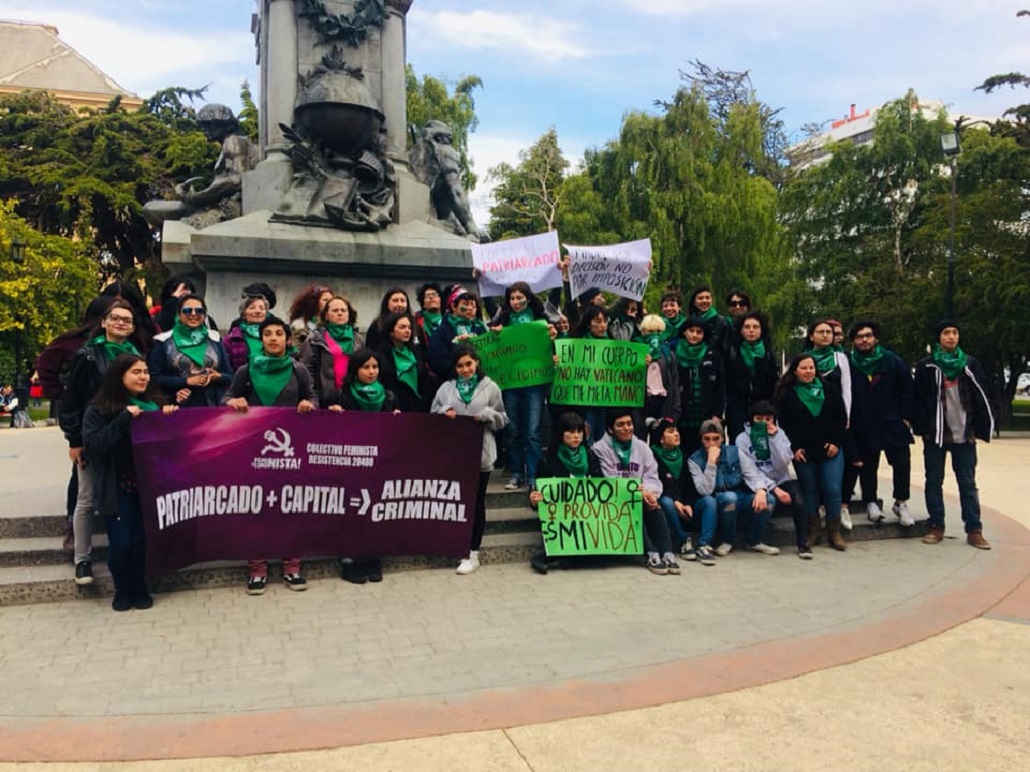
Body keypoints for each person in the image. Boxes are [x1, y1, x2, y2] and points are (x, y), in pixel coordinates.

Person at [224, 317, 317, 594]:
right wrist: (233, 401)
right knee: (256, 508)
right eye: (268, 334)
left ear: (288, 340)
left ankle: (292, 565)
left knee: (290, 506)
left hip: (290, 452)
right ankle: (257, 568)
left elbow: (313, 397)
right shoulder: (245, 370)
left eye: (279, 333)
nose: (274, 338)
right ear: (261, 339)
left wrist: (307, 404)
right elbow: (226, 396)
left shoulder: (298, 369)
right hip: (253, 451)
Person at [82, 354, 178, 611]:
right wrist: (122, 420)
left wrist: (169, 417)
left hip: (150, 487)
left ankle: (140, 587)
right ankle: (122, 589)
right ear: (119, 375)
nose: (143, 377)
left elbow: (174, 445)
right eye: (136, 372)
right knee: (122, 543)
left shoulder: (155, 404)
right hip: (118, 488)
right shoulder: (99, 409)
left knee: (143, 541)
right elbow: (93, 446)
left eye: (146, 371)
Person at [59, 300, 142, 586]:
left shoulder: (135, 354)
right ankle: (82, 559)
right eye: (115, 318)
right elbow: (70, 399)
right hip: (93, 432)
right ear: (104, 322)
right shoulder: (89, 355)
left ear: (132, 327)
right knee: (86, 496)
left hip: (125, 436)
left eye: (127, 320)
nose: (121, 323)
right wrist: (75, 439)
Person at [912, 320, 996, 549]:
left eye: (954, 333)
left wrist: (982, 426)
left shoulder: (969, 364)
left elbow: (983, 394)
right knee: (933, 481)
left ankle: (974, 530)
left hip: (964, 434)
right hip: (936, 434)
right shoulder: (927, 366)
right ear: (938, 338)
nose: (951, 337)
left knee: (967, 483)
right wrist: (922, 427)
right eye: (946, 333)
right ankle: (936, 526)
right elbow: (917, 399)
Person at [431, 345, 508, 574]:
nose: (465, 369)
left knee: (476, 503)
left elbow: (503, 419)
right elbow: (432, 414)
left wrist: (489, 415)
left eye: (469, 364)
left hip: (481, 454)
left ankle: (473, 551)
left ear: (476, 363)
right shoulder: (446, 388)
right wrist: (444, 411)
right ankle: (455, 544)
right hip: (453, 456)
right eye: (460, 366)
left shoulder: (490, 387)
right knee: (455, 502)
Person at [330, 348, 399, 584]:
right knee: (352, 509)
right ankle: (350, 559)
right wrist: (333, 414)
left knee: (375, 509)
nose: (371, 372)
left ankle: (373, 556)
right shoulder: (341, 395)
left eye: (375, 367)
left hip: (379, 462)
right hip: (351, 463)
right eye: (366, 367)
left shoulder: (388, 396)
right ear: (355, 370)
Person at [775, 353, 849, 551]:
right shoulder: (787, 394)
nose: (808, 372)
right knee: (810, 490)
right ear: (795, 371)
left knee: (832, 488)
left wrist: (835, 442)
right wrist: (794, 448)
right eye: (803, 368)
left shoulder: (830, 389)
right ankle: (813, 529)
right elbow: (784, 424)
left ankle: (834, 531)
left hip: (830, 450)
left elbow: (841, 417)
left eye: (811, 368)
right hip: (803, 452)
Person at [592, 408, 680, 575]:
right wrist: (634, 491)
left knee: (655, 505)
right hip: (615, 500)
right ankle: (651, 553)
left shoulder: (642, 447)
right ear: (611, 429)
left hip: (642, 494)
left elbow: (652, 476)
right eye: (621, 425)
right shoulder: (600, 449)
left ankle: (667, 553)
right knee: (633, 506)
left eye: (629, 424)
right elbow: (609, 479)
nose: (627, 428)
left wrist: (650, 493)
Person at [844, 320, 915, 526]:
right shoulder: (849, 363)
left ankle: (901, 502)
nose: (864, 339)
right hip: (864, 421)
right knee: (868, 465)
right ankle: (871, 501)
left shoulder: (891, 360)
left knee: (901, 462)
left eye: (868, 335)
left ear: (876, 338)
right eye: (859, 337)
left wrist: (906, 417)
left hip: (892, 421)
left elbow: (907, 389)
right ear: (853, 341)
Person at [687, 418, 779, 565]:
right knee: (730, 498)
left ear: (722, 439)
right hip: (714, 499)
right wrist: (710, 463)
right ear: (701, 439)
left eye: (716, 439)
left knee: (769, 500)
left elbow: (753, 474)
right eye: (707, 439)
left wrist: (761, 490)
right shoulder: (694, 460)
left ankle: (754, 540)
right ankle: (727, 540)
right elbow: (704, 490)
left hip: (738, 496)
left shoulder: (735, 452)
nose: (712, 443)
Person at [490, 282, 555, 492]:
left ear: (528, 297)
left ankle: (534, 476)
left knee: (533, 432)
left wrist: (552, 337)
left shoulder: (540, 319)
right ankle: (517, 473)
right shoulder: (504, 320)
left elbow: (551, 346)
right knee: (513, 430)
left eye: (520, 298)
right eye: (512, 298)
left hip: (535, 383)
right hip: (511, 382)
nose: (516, 302)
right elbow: (493, 346)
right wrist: (496, 334)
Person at [527, 412, 604, 574]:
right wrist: (535, 499)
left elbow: (601, 486)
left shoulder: (591, 456)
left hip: (589, 514)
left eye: (579, 432)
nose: (576, 436)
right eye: (570, 432)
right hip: (561, 519)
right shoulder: (548, 459)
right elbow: (539, 489)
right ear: (561, 433)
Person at [736, 401, 811, 559]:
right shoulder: (742, 439)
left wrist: (774, 438)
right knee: (765, 501)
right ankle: (753, 538)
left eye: (768, 418)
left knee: (799, 500)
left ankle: (803, 544)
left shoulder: (780, 433)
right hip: (758, 482)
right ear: (752, 419)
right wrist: (772, 488)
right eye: (759, 418)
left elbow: (784, 461)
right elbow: (749, 470)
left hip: (781, 478)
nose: (764, 422)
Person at [804, 318, 855, 529]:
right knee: (811, 482)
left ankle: (835, 523)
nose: (826, 335)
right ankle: (814, 522)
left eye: (829, 332)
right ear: (811, 336)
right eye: (820, 331)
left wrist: (847, 416)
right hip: (809, 422)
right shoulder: (805, 360)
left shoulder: (840, 358)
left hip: (835, 420)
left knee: (834, 478)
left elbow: (847, 388)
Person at [148, 295, 232, 408]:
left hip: (214, 406)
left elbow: (230, 376)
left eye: (199, 310)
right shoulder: (164, 342)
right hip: (178, 407)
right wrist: (186, 381)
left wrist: (217, 377)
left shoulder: (214, 339)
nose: (193, 314)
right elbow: (154, 378)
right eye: (187, 310)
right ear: (179, 314)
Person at [673, 316, 725, 455]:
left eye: (699, 332)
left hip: (705, 415)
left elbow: (720, 387)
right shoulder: (673, 353)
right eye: (691, 330)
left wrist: (717, 414)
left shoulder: (712, 355)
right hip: (682, 415)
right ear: (684, 332)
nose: (694, 335)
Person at [301, 295, 365, 408]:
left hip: (353, 400)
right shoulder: (315, 338)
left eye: (343, 310)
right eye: (335, 310)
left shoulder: (358, 339)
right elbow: (307, 369)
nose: (340, 313)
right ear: (326, 315)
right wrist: (313, 399)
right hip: (325, 400)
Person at [724, 310, 779, 440]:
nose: (751, 330)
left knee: (762, 445)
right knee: (738, 443)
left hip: (762, 406)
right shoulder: (732, 351)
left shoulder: (768, 352)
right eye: (747, 327)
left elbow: (773, 380)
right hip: (737, 406)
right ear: (741, 330)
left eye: (756, 327)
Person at [650, 419, 699, 560]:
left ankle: (704, 544)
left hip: (685, 504)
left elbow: (690, 486)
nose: (676, 434)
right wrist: (676, 502)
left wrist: (688, 503)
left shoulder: (683, 456)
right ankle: (684, 539)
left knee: (708, 502)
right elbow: (660, 483)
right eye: (671, 432)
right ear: (661, 439)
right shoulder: (653, 455)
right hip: (666, 500)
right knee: (666, 502)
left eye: (676, 431)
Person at [427, 286, 488, 380]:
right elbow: (437, 362)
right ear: (454, 306)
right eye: (466, 304)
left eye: (473, 305)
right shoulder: (441, 332)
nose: (470, 308)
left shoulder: (481, 329)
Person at [376, 312, 429, 413]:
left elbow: (423, 378)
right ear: (391, 331)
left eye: (409, 327)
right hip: (395, 409)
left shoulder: (415, 351)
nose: (407, 331)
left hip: (418, 407)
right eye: (402, 327)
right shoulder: (382, 355)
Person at [638, 314, 681, 436]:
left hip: (663, 402)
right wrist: (641, 365)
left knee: (660, 439)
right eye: (650, 331)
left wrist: (675, 410)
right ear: (643, 331)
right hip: (643, 403)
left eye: (658, 331)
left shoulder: (668, 354)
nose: (654, 335)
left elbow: (674, 382)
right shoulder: (636, 351)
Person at [223, 293, 271, 372]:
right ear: (244, 313)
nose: (258, 311)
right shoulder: (232, 339)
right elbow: (226, 368)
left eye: (262, 308)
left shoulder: (275, 335)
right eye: (252, 308)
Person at [687, 285, 732, 357]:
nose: (704, 300)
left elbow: (725, 349)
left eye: (707, 298)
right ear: (694, 302)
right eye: (700, 298)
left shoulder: (722, 322)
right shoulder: (688, 322)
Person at [287, 284, 333, 348]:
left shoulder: (334, 325)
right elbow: (297, 350)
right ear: (314, 302)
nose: (330, 303)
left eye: (332, 300)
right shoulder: (299, 325)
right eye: (325, 300)